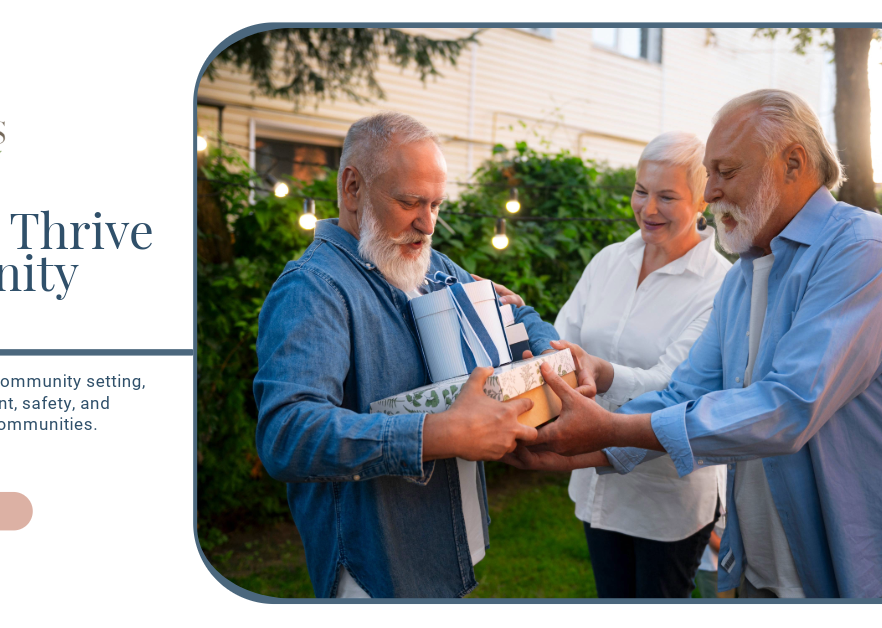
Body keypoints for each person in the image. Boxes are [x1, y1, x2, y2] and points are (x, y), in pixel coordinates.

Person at [506, 89, 882, 598]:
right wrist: (563, 451)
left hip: (844, 578)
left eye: (726, 172)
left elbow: (788, 407)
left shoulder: (862, 251)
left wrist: (609, 425)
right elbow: (683, 393)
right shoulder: (743, 277)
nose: (711, 195)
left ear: (793, 162)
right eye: (709, 175)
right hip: (758, 576)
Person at [253, 112, 590, 598]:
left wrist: (553, 362)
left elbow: (517, 310)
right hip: (377, 571)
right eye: (409, 202)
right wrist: (439, 433)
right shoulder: (313, 288)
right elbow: (287, 434)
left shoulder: (430, 264)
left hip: (451, 545)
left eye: (435, 204)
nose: (427, 224)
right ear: (352, 188)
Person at [552, 131, 732, 597]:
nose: (648, 209)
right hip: (594, 483)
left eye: (667, 196)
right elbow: (562, 338)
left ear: (701, 200)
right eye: (641, 190)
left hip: (666, 500)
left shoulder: (720, 286)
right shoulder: (610, 260)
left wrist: (600, 371)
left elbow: (675, 386)